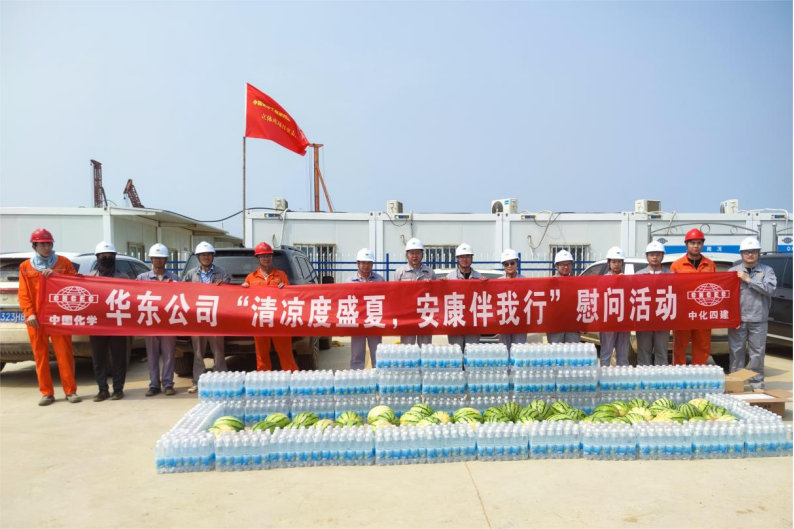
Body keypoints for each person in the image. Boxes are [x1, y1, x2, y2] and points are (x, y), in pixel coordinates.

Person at [17, 228, 82, 406]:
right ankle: (47, 393)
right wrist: (29, 313)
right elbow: (23, 293)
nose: (46, 247)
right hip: (36, 318)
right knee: (40, 355)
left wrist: (56, 276)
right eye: (42, 244)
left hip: (59, 316)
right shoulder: (26, 267)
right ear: (34, 246)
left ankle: (70, 391)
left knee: (65, 354)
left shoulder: (63, 263)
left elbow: (75, 285)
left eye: (49, 244)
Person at [728, 237, 777, 391]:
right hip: (738, 320)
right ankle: (736, 384)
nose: (750, 254)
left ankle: (757, 384)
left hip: (759, 319)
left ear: (758, 253)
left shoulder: (767, 271)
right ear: (741, 254)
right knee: (736, 352)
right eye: (746, 252)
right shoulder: (732, 272)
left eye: (753, 251)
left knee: (757, 353)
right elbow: (725, 296)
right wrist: (730, 318)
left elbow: (770, 289)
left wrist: (748, 280)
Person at [242, 242, 299, 372]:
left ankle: (291, 375)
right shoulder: (250, 278)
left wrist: (285, 289)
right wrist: (243, 290)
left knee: (285, 350)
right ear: (257, 258)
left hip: (279, 320)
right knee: (261, 352)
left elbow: (289, 298)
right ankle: (264, 377)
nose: (266, 258)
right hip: (260, 320)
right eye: (263, 256)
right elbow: (246, 300)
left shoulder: (281, 275)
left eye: (268, 255)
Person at [182, 241, 230, 393]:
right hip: (197, 318)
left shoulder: (222, 273)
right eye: (202, 255)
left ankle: (220, 379)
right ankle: (198, 381)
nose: (206, 257)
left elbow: (231, 293)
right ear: (198, 257)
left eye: (208, 254)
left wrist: (224, 285)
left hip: (215, 317)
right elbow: (180, 291)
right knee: (197, 351)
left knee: (218, 350)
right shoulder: (190, 274)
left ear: (213, 256)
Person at [87, 241, 130, 401]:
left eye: (110, 256)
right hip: (96, 325)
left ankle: (118, 389)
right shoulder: (88, 278)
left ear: (115, 257)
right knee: (99, 359)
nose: (106, 258)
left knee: (119, 358)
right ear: (97, 257)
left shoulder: (123, 278)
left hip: (117, 324)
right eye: (103, 256)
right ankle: (102, 390)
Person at [137, 243, 179, 396]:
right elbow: (135, 298)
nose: (158, 260)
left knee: (169, 355)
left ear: (166, 260)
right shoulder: (142, 278)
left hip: (168, 323)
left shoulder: (175, 278)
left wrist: (172, 287)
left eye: (161, 258)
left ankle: (168, 384)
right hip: (150, 322)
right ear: (151, 259)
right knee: (152, 355)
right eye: (155, 258)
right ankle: (154, 385)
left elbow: (182, 299)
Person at [670, 228, 717, 365]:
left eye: (699, 243)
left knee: (702, 346)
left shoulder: (710, 265)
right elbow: (671, 289)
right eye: (692, 243)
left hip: (703, 313)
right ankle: (678, 373)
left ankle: (699, 372)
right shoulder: (677, 265)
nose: (696, 246)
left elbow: (716, 287)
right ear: (686, 245)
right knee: (679, 346)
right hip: (683, 313)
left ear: (703, 245)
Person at [442, 243, 488, 353]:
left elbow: (486, 297)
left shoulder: (479, 277)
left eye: (467, 256)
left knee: (471, 353)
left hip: (473, 322)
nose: (464, 259)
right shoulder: (450, 277)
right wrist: (442, 285)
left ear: (472, 258)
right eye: (462, 257)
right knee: (455, 353)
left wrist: (486, 285)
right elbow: (442, 297)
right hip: (455, 320)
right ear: (457, 259)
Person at [346, 248, 385, 369]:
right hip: (357, 322)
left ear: (372, 264)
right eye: (363, 263)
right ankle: (357, 378)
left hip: (374, 320)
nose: (366, 266)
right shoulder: (350, 281)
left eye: (369, 263)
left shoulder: (380, 280)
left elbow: (385, 299)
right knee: (357, 354)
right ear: (357, 263)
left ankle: (378, 376)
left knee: (377, 353)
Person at [393, 237, 436, 345]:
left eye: (417, 253)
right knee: (407, 347)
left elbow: (435, 294)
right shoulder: (400, 273)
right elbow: (396, 295)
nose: (414, 256)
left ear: (422, 254)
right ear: (406, 255)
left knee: (425, 346)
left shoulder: (430, 272)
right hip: (407, 314)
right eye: (411, 253)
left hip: (425, 313)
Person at [635, 241, 671, 366]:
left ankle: (660, 376)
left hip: (663, 318)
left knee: (661, 352)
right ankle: (644, 376)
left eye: (658, 254)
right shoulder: (638, 275)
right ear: (647, 256)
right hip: (644, 320)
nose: (655, 257)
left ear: (663, 256)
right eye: (651, 254)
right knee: (643, 352)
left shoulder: (671, 275)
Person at [599, 246, 630, 367]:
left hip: (623, 320)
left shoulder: (627, 279)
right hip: (608, 320)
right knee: (606, 353)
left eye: (619, 262)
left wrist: (623, 280)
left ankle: (622, 377)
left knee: (623, 354)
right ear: (609, 263)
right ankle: (604, 376)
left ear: (622, 263)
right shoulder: (602, 280)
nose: (616, 264)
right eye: (614, 262)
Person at [547, 250, 581, 344]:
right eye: (562, 264)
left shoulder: (577, 283)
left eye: (568, 264)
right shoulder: (550, 283)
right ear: (556, 266)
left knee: (573, 351)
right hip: (555, 326)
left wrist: (582, 325)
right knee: (556, 351)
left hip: (573, 326)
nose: (566, 267)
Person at [497, 248, 527, 351]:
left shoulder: (525, 281)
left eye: (512, 263)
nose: (509, 266)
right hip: (504, 321)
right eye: (506, 264)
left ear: (517, 263)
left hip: (520, 321)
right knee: (504, 351)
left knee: (519, 351)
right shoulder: (497, 282)